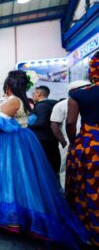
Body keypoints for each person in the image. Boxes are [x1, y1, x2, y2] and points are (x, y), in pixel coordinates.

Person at [0, 70, 88, 248]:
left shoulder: (14, 100)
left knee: (10, 177)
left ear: (10, 85)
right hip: (17, 141)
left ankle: (13, 218)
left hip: (10, 143)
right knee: (21, 178)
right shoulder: (20, 100)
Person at [65, 51, 99, 246]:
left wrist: (74, 141)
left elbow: (71, 122)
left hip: (90, 146)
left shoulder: (79, 94)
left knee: (85, 187)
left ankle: (88, 231)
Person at [50, 80, 90, 188]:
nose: (87, 90)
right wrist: (64, 142)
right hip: (68, 142)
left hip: (88, 141)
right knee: (66, 168)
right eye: (84, 88)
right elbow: (54, 125)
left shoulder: (91, 102)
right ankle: (66, 193)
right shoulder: (61, 105)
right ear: (73, 91)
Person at [30, 85, 59, 174]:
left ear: (39, 94)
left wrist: (26, 125)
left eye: (34, 93)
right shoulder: (53, 104)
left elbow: (42, 122)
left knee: (44, 165)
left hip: (42, 139)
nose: (33, 95)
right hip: (51, 137)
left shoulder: (41, 105)